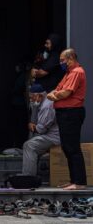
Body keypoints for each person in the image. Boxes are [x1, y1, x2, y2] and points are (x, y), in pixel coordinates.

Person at [47, 48, 87, 190]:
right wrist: (54, 94)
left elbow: (65, 93)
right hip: (65, 113)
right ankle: (74, 180)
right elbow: (57, 89)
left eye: (63, 60)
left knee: (73, 147)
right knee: (67, 147)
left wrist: (53, 96)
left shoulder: (77, 72)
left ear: (71, 58)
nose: (61, 63)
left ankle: (80, 182)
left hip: (71, 113)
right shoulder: (68, 73)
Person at [22, 84, 60, 176]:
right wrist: (34, 107)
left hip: (53, 137)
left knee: (29, 145)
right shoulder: (41, 103)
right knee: (32, 140)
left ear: (39, 95)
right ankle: (31, 173)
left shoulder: (47, 106)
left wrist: (32, 126)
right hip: (48, 134)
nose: (31, 100)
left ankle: (28, 177)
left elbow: (40, 129)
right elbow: (35, 122)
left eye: (32, 97)